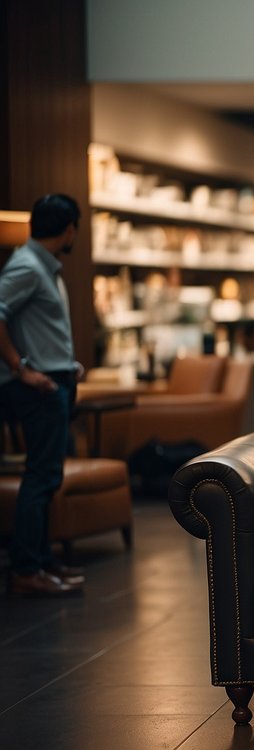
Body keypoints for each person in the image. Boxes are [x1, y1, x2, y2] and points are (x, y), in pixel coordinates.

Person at [0, 194, 86, 596]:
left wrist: (66, 365)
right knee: (40, 477)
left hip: (56, 379)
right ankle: (26, 569)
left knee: (48, 476)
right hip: (39, 388)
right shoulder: (27, 265)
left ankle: (43, 560)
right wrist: (21, 369)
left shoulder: (44, 267)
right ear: (69, 229)